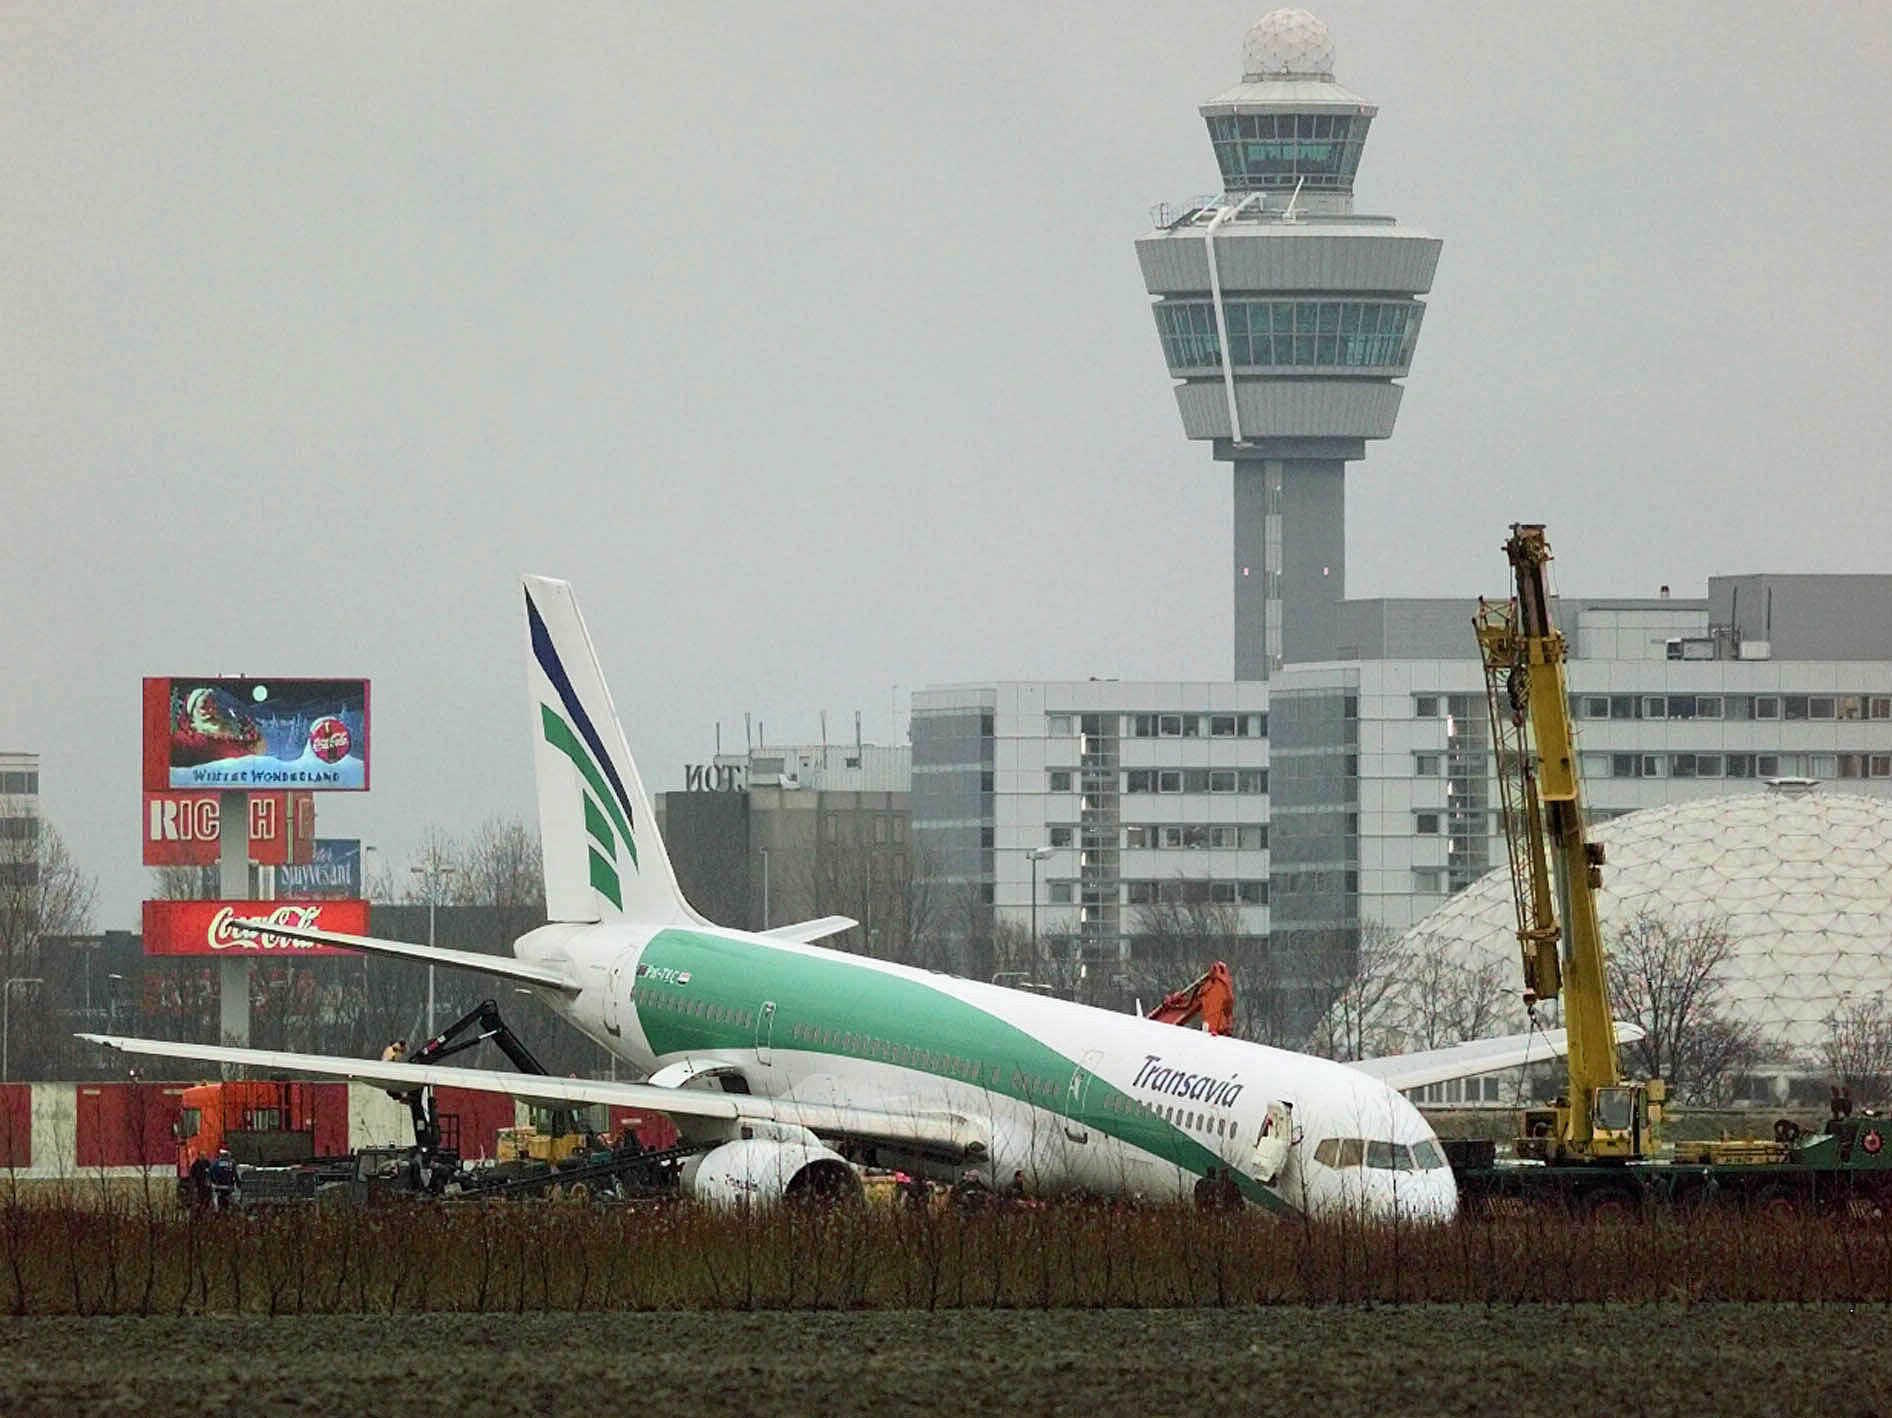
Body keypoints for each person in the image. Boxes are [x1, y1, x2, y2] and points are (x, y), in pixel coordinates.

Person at [207, 1147, 238, 1212]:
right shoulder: (232, 1163)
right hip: (229, 1186)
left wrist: (212, 1182)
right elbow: (235, 1174)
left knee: (220, 1201)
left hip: (218, 1186)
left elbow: (210, 1173)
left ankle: (221, 1212)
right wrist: (237, 1183)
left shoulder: (215, 1163)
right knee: (229, 1201)